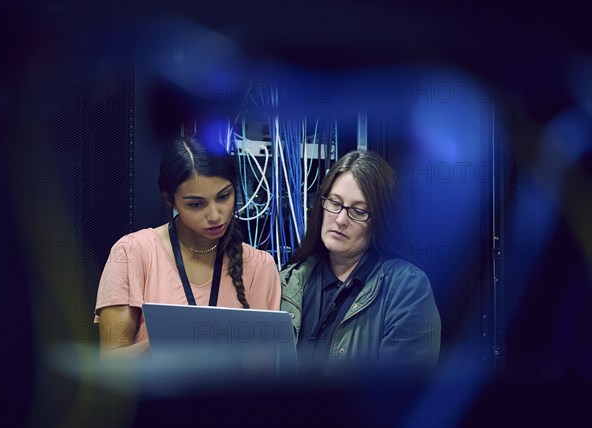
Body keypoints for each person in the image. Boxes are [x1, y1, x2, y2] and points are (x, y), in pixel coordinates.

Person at [94, 134, 281, 358]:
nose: (214, 215)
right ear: (169, 200)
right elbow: (111, 365)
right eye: (196, 204)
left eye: (224, 197)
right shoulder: (132, 252)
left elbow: (264, 369)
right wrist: (170, 340)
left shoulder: (260, 266)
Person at [280, 150, 441, 373]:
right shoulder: (290, 281)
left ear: (382, 220)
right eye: (335, 203)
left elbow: (400, 392)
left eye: (358, 211)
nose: (340, 219)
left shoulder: (407, 288)